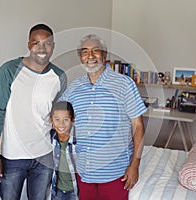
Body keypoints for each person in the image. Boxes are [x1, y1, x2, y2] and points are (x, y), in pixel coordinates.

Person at [59, 34, 147, 200]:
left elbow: (138, 126)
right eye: (85, 52)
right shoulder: (74, 88)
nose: (90, 56)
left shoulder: (124, 84)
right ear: (80, 58)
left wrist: (135, 165)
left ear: (104, 56)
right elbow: (59, 114)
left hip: (116, 172)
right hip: (84, 170)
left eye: (95, 51)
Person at [0, 24, 67, 200]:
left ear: (53, 45)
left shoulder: (59, 76)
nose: (42, 48)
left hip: (44, 157)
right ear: (29, 45)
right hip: (13, 157)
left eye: (47, 43)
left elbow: (58, 119)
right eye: (36, 43)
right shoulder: (9, 70)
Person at [49, 101, 78, 200]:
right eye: (57, 119)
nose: (61, 124)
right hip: (57, 190)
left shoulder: (78, 141)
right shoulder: (50, 138)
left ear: (72, 120)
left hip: (75, 191)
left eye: (66, 119)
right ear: (51, 121)